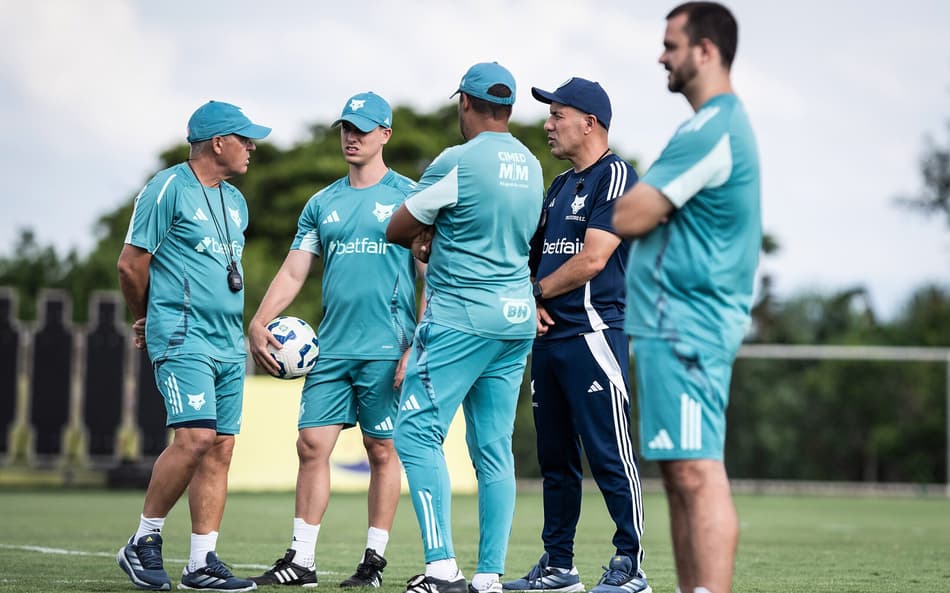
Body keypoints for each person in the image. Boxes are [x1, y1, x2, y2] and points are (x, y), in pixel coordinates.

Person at [244, 92, 424, 588]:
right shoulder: (321, 203)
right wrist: (259, 320)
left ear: (385, 134)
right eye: (346, 127)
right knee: (310, 445)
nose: (351, 136)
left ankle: (374, 562)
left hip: (390, 348)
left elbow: (428, 273)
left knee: (381, 450)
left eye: (362, 128)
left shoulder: (411, 197)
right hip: (332, 349)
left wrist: (418, 343)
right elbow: (295, 269)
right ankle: (301, 560)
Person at [612, 4, 761, 593]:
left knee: (696, 473)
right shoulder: (704, 126)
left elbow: (630, 212)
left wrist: (642, 200)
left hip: (688, 327)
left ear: (705, 50)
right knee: (678, 472)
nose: (661, 56)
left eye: (671, 44)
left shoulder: (712, 128)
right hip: (668, 328)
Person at [385, 62, 544, 593]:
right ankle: (488, 577)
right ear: (510, 109)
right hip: (515, 319)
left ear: (465, 104)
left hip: (461, 319)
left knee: (415, 432)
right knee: (494, 449)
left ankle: (441, 569)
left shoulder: (458, 160)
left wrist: (427, 231)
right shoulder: (531, 164)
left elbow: (397, 226)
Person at [116, 100, 271, 592]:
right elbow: (130, 263)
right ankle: (143, 540)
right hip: (183, 337)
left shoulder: (236, 200)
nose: (251, 147)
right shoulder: (167, 187)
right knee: (195, 439)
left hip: (227, 342)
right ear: (217, 142)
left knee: (220, 448)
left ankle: (201, 563)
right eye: (244, 139)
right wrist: (143, 316)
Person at [503, 78, 650, 593]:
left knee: (610, 453)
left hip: (593, 336)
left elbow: (592, 259)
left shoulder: (616, 176)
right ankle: (558, 566)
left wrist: (533, 295)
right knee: (556, 461)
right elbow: (532, 258)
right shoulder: (559, 185)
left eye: (557, 115)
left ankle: (631, 564)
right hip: (548, 340)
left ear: (589, 123)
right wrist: (531, 294)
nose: (548, 124)